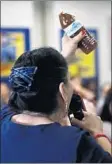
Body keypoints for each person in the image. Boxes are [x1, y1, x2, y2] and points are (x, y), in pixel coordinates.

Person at [1, 32, 112, 163]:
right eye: (69, 80)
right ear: (62, 90)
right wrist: (98, 132)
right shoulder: (79, 144)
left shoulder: (3, 119)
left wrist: (62, 60)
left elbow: (30, 83)